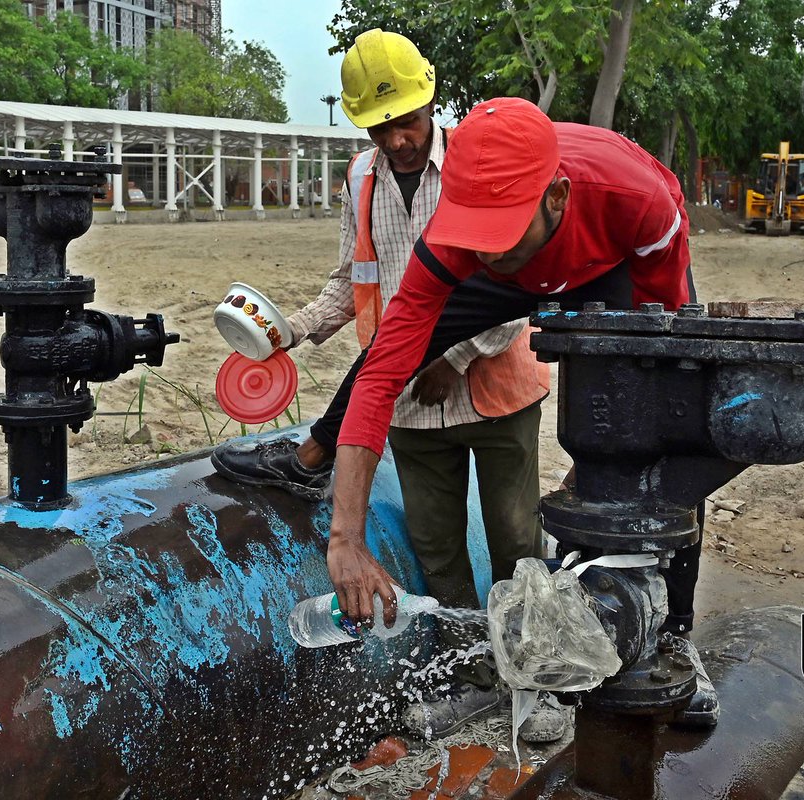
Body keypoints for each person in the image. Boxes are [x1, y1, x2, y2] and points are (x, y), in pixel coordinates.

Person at [300, 96, 713, 724]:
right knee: (391, 352)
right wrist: (346, 538)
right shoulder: (465, 246)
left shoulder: (637, 201)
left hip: (614, 263)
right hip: (518, 275)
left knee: (670, 436)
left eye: (501, 235)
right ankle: (311, 450)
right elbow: (382, 374)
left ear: (556, 197)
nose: (488, 252)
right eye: (477, 235)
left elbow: (667, 348)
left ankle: (672, 635)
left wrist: (609, 474)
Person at [211, 32, 563, 741]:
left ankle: (540, 684)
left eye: (407, 121)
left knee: (515, 542)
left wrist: (452, 358)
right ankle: (476, 679)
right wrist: (294, 329)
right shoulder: (360, 180)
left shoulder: (477, 166)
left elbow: (520, 274)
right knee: (437, 548)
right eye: (380, 127)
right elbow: (353, 279)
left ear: (431, 101)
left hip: (493, 389)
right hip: (404, 404)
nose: (397, 140)